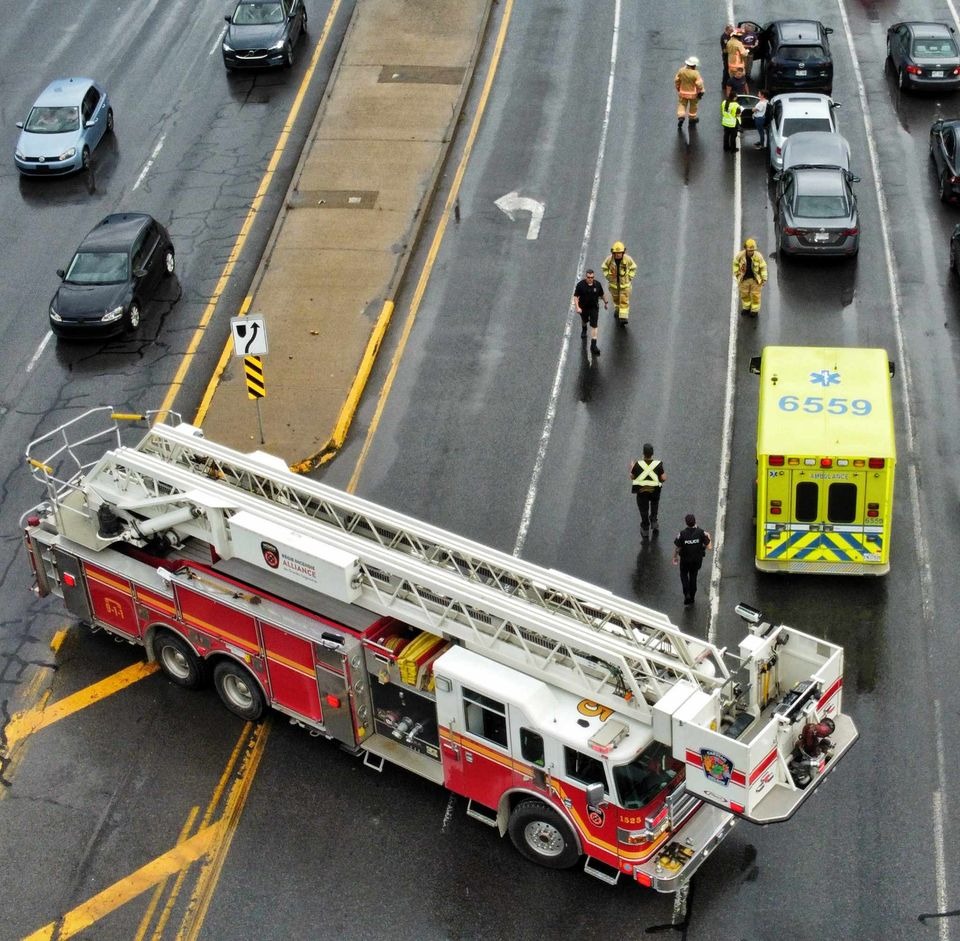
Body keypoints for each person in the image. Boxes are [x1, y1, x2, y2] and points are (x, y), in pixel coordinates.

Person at [673, 514, 712, 605]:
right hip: (697, 561)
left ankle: (686, 594)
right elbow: (709, 547)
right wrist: (708, 536)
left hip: (685, 560)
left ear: (686, 523)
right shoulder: (701, 532)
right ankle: (692, 596)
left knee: (684, 575)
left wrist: (675, 557)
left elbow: (678, 548)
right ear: (695, 521)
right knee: (693, 576)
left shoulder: (682, 534)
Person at [630, 444, 666, 535]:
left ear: (643, 453)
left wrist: (632, 467)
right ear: (652, 453)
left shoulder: (638, 464)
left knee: (643, 509)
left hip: (641, 492)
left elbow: (632, 477)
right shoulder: (658, 464)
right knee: (654, 505)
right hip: (655, 491)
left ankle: (645, 527)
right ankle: (654, 521)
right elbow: (663, 478)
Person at [601, 241, 638, 325]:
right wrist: (608, 277)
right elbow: (604, 267)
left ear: (623, 252)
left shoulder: (627, 259)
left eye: (619, 253)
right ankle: (617, 310)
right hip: (614, 286)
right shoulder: (609, 260)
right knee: (616, 299)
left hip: (625, 286)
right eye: (616, 253)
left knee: (624, 300)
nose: (618, 255)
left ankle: (623, 318)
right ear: (613, 253)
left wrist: (630, 277)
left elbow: (633, 267)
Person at [572, 269, 608, 356]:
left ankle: (593, 345)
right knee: (584, 320)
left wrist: (606, 302)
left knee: (594, 325)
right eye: (588, 277)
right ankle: (584, 329)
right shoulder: (580, 285)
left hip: (594, 308)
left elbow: (602, 294)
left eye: (592, 277)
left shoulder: (597, 285)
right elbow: (576, 296)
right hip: (583, 308)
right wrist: (577, 307)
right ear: (586, 277)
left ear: (593, 277)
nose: (590, 279)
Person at [732, 237, 768, 316]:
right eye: (749, 250)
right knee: (744, 294)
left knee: (756, 295)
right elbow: (735, 263)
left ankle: (755, 310)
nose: (751, 252)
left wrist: (764, 278)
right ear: (746, 249)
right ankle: (746, 308)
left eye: (752, 250)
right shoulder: (740, 256)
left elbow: (763, 267)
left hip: (755, 280)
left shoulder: (758, 256)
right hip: (744, 279)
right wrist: (737, 274)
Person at [675, 56, 705, 128]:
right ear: (694, 65)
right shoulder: (695, 73)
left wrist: (678, 88)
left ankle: (681, 117)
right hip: (693, 94)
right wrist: (701, 91)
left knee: (682, 104)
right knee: (693, 106)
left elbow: (677, 80)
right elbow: (699, 84)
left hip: (683, 92)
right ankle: (692, 119)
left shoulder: (681, 71)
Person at [724, 27, 748, 94]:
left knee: (732, 81)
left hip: (731, 65)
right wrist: (747, 51)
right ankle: (741, 94)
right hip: (738, 66)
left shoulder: (729, 42)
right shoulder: (738, 43)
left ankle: (732, 94)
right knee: (741, 81)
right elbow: (743, 54)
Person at [721, 88, 742, 153]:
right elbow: (738, 115)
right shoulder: (736, 105)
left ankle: (726, 147)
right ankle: (733, 149)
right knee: (733, 137)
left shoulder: (724, 102)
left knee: (726, 136)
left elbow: (722, 111)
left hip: (725, 122)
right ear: (734, 97)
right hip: (733, 123)